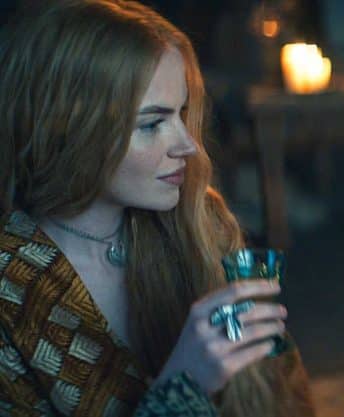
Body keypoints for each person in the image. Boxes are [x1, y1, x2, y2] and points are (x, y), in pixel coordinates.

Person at [0, 1, 314, 416]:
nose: (187, 145)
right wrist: (183, 387)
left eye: (181, 114)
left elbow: (282, 394)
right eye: (151, 124)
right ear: (69, 128)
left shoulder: (201, 221)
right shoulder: (12, 288)